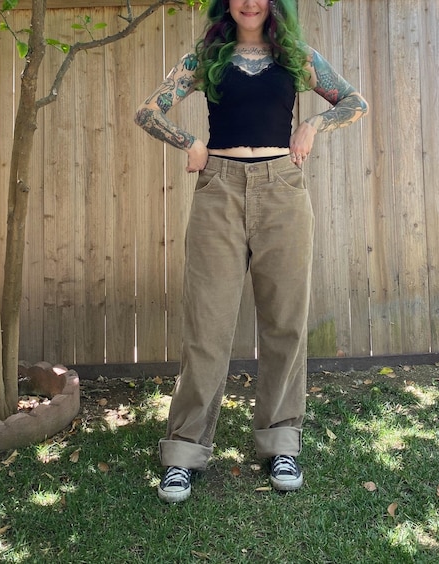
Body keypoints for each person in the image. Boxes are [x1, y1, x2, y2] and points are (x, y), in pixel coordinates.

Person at [135, 0, 368, 503]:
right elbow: (147, 111)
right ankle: (184, 452)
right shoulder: (206, 57)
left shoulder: (296, 56)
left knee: (285, 321)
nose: (249, 2)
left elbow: (354, 101)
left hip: (282, 190)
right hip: (218, 190)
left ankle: (281, 444)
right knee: (207, 326)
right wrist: (190, 142)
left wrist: (313, 125)